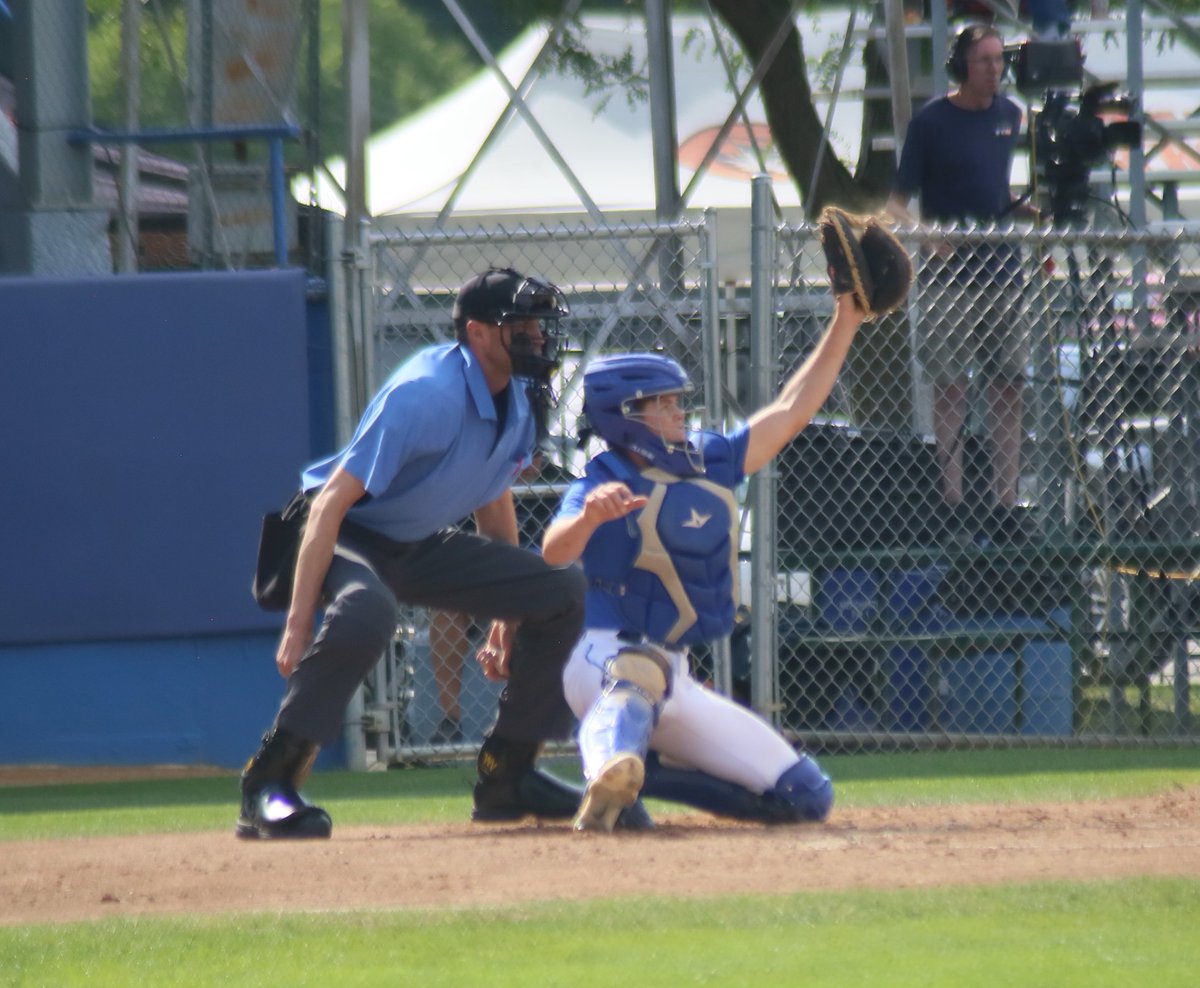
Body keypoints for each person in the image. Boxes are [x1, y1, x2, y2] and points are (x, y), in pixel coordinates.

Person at [238, 267, 590, 839]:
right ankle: (269, 782)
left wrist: (506, 613)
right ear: (478, 334)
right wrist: (299, 622)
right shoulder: (426, 394)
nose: (537, 335)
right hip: (344, 533)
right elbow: (329, 504)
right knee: (367, 611)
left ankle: (509, 774)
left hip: (417, 541)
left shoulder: (520, 397)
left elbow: (494, 497)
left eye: (538, 323)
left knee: (560, 590)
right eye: (520, 324)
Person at [540, 292, 867, 832]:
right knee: (635, 672)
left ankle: (634, 778)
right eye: (662, 403)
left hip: (676, 674)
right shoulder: (601, 480)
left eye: (676, 400)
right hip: (602, 658)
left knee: (806, 799)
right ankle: (609, 767)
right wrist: (588, 519)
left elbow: (791, 411)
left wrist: (846, 319)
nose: (678, 411)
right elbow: (555, 549)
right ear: (626, 418)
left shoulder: (706, 460)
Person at [887, 24, 1036, 545]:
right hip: (951, 278)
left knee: (1008, 384)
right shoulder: (931, 122)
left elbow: (997, 187)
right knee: (952, 385)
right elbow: (896, 203)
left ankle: (1005, 501)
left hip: (1002, 273)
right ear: (961, 67)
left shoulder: (1012, 116)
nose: (994, 70)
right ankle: (952, 502)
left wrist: (1035, 212)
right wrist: (927, 237)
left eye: (999, 60)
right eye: (984, 61)